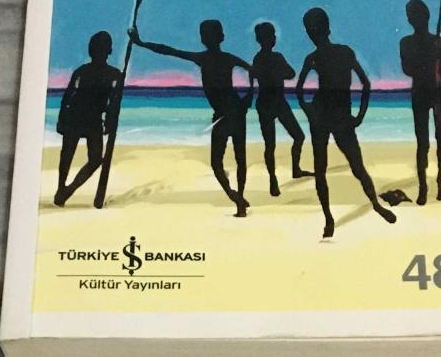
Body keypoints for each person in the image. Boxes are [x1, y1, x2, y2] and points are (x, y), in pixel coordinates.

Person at [128, 21, 253, 216]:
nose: (205, 38)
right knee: (223, 162)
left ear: (216, 37)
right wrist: (141, 43)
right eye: (204, 34)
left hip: (233, 113)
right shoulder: (208, 58)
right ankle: (236, 197)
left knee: (234, 160)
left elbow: (253, 71)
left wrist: (249, 98)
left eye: (207, 34)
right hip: (227, 113)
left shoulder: (220, 58)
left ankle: (238, 200)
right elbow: (168, 51)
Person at [296, 7, 396, 238]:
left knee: (330, 169)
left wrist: (309, 110)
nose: (312, 34)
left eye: (311, 30)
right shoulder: (340, 53)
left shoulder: (317, 57)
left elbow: (299, 91)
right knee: (349, 166)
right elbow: (365, 84)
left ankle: (335, 217)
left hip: (328, 115)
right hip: (334, 115)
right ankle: (359, 209)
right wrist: (359, 115)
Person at [54, 31, 121, 207]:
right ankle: (62, 189)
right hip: (78, 118)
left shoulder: (112, 74)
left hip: (88, 119)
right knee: (68, 156)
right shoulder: (107, 73)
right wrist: (62, 119)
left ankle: (66, 189)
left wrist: (109, 121)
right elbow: (68, 97)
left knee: (92, 158)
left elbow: (113, 103)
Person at [399, 0, 441, 204]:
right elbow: (411, 68)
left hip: (426, 91)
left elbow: (410, 69)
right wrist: (431, 59)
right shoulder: (437, 42)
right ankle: (432, 183)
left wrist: (434, 59)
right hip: (432, 90)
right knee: (435, 139)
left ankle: (432, 184)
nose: (410, 19)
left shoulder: (429, 42)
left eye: (410, 15)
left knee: (427, 140)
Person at [252, 22, 312, 196]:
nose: (274, 38)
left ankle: (289, 172)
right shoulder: (274, 57)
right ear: (266, 39)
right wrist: (277, 73)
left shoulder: (260, 58)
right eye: (271, 35)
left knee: (290, 139)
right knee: (286, 140)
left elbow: (289, 74)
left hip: (271, 103)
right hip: (273, 102)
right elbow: (290, 73)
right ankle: (276, 178)